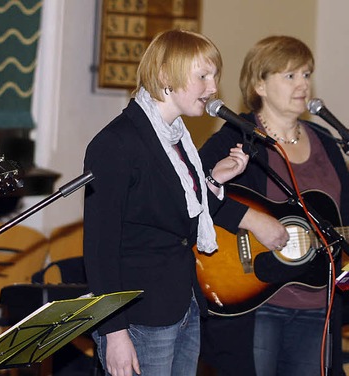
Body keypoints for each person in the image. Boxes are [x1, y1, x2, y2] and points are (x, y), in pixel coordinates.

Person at [83, 29, 250, 376]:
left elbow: (178, 219)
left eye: (214, 76)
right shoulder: (116, 142)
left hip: (181, 304)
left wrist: (215, 180)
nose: (213, 87)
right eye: (202, 76)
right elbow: (100, 250)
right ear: (164, 76)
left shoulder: (177, 140)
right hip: (139, 316)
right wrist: (114, 332)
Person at [199, 35, 349, 376]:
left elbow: (343, 216)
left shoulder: (326, 143)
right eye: (290, 75)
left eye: (307, 74)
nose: (303, 85)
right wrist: (251, 219)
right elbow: (192, 194)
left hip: (317, 306)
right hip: (257, 303)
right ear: (259, 85)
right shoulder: (233, 138)